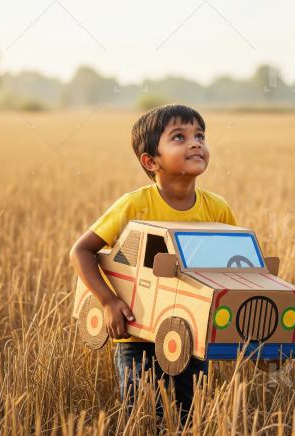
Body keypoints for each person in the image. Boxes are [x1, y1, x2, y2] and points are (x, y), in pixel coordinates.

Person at [69, 104, 237, 427]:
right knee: (143, 414)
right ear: (151, 161)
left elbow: (230, 267)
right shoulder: (135, 205)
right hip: (138, 334)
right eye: (179, 136)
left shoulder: (217, 209)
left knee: (190, 414)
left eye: (200, 135)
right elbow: (82, 251)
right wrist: (108, 301)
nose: (195, 143)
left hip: (192, 333)